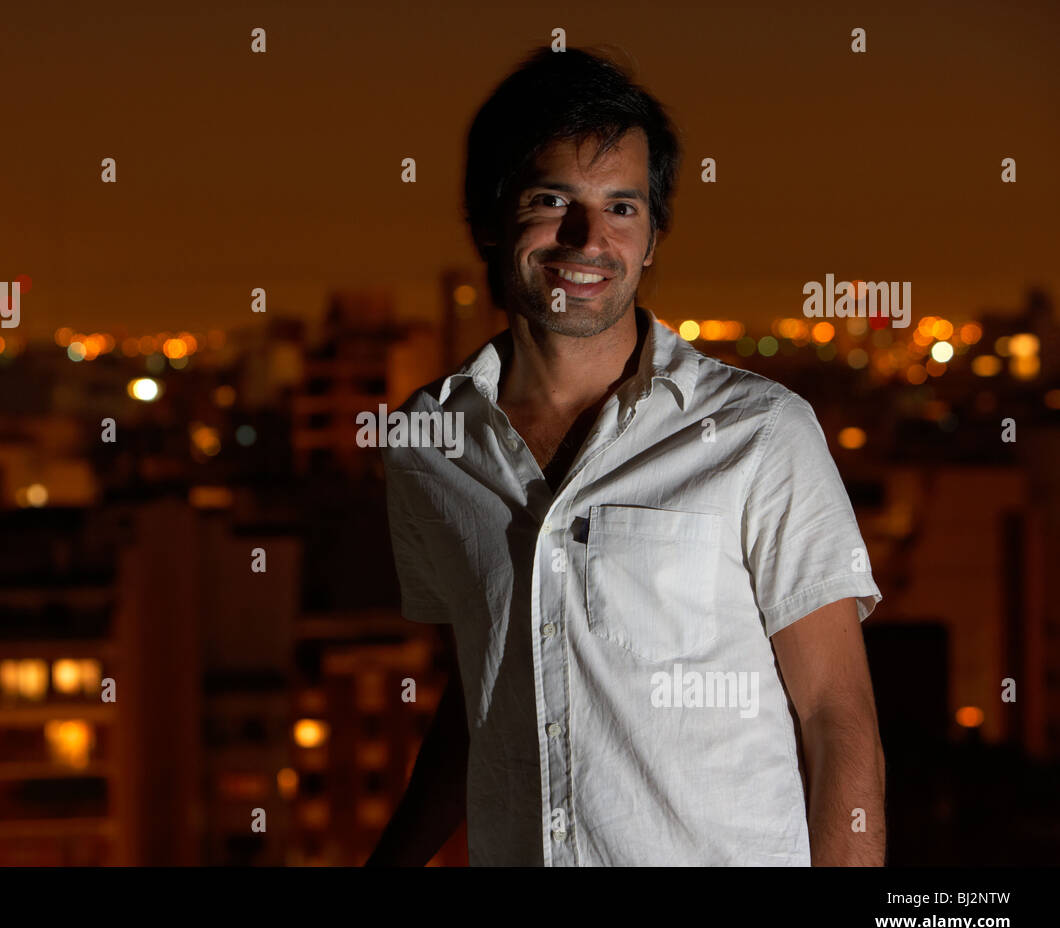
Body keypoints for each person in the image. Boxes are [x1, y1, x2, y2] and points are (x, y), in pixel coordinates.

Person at [366, 47, 885, 866]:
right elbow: (485, 689)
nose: (589, 239)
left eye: (622, 207)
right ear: (488, 220)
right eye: (552, 200)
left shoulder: (760, 433)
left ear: (652, 239)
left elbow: (837, 720)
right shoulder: (429, 444)